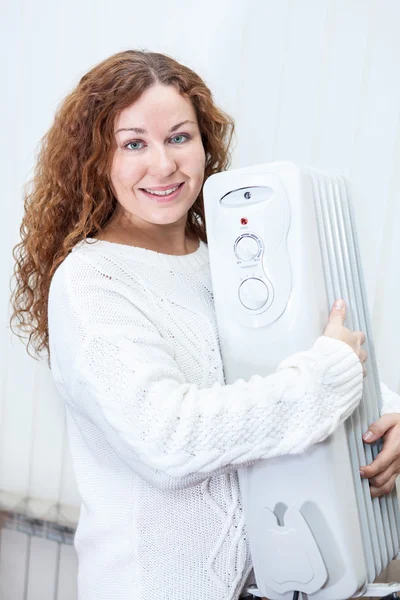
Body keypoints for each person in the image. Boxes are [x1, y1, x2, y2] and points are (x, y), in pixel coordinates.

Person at [10, 49, 400, 600]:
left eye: (178, 137)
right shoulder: (91, 282)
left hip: (271, 583)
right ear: (96, 160)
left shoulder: (224, 254)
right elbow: (168, 439)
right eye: (133, 143)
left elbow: (292, 355)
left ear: (205, 144)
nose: (164, 165)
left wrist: (383, 414)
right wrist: (330, 376)